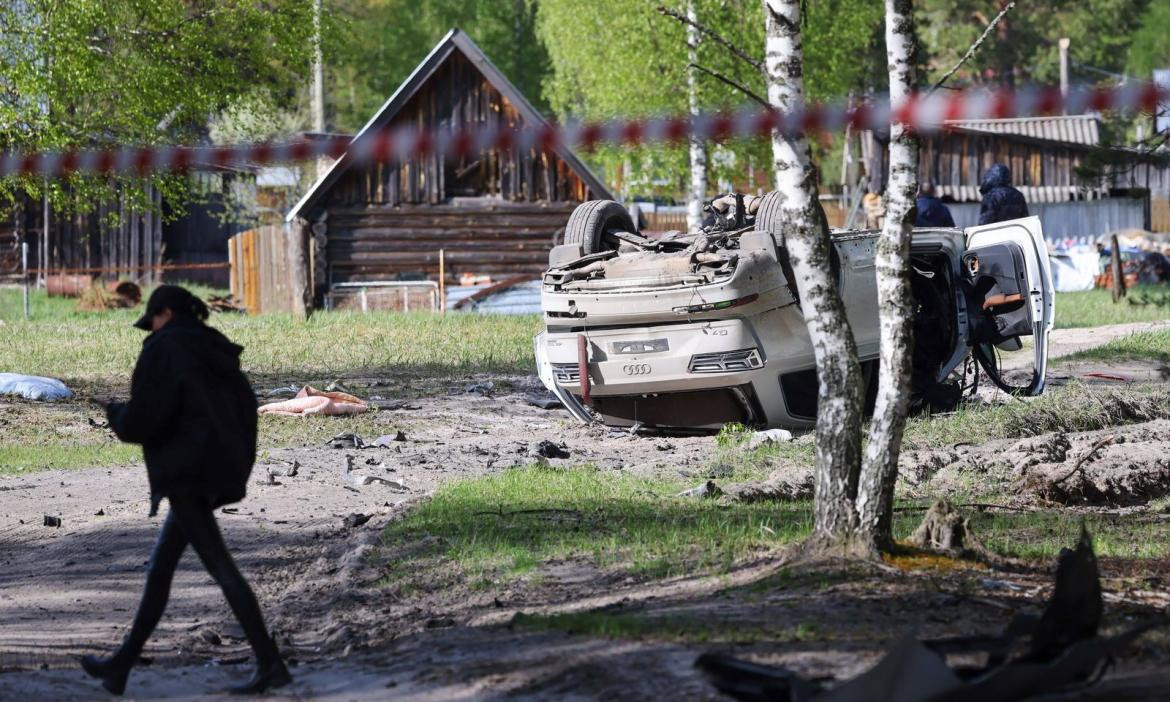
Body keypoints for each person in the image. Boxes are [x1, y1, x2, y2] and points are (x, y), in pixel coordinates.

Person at [81, 285, 289, 696]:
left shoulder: (165, 349)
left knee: (220, 566)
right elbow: (243, 409)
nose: (151, 329)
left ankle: (270, 663)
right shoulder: (215, 348)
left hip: (187, 474)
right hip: (217, 467)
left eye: (153, 320)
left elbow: (144, 420)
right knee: (160, 569)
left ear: (168, 313)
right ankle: (121, 665)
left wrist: (115, 413)